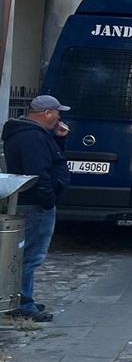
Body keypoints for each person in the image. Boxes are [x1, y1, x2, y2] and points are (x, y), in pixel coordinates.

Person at [2, 95, 72, 322]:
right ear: (47, 114)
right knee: (30, 255)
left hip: (32, 200)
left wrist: (59, 140)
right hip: (36, 203)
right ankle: (22, 302)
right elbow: (39, 171)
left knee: (26, 253)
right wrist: (48, 199)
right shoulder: (32, 137)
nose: (59, 116)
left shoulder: (30, 133)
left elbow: (50, 161)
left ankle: (22, 298)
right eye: (57, 112)